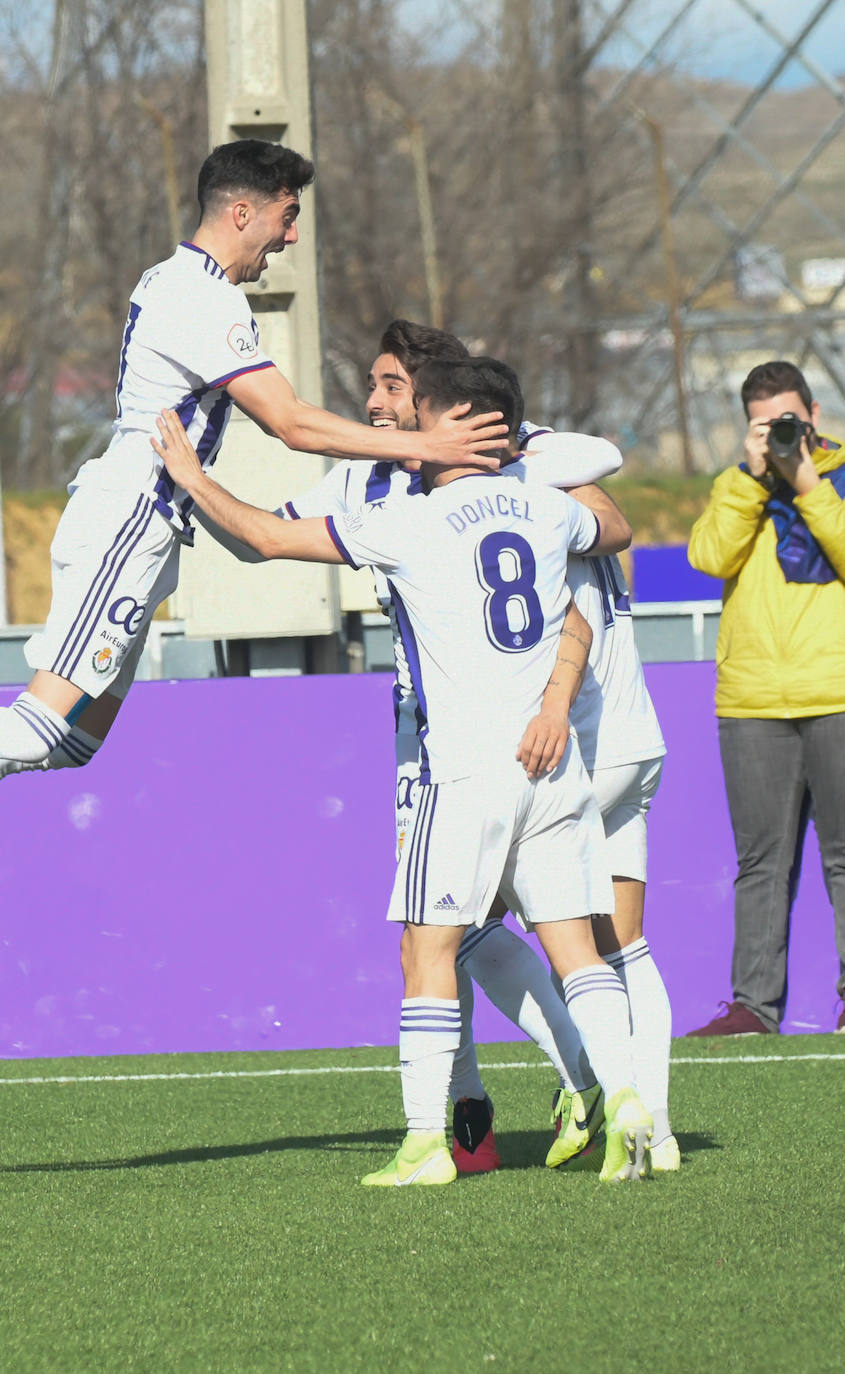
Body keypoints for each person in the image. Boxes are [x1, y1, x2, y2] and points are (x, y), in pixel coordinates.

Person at [0, 139, 507, 885]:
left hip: (148, 529)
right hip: (129, 520)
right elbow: (291, 422)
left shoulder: (184, 282)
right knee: (36, 724)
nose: (290, 236)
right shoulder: (201, 297)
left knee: (73, 744)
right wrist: (427, 448)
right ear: (242, 211)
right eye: (286, 216)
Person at [153, 356, 656, 1185]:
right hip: (550, 764)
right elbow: (589, 583)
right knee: (578, 952)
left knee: (428, 952)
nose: (410, 431)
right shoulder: (546, 509)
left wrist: (188, 474)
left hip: (460, 773)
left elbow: (265, 537)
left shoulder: (413, 523)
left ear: (460, 427)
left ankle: (427, 1143)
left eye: (425, 415)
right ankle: (625, 1098)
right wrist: (555, 706)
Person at [687, 359, 845, 1037]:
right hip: (751, 702)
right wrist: (751, 481)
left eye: (789, 420)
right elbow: (708, 557)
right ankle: (751, 1006)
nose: (781, 433)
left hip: (836, 691)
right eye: (764, 425)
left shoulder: (836, 475)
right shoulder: (736, 486)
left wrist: (806, 482)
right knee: (760, 863)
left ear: (812, 413)